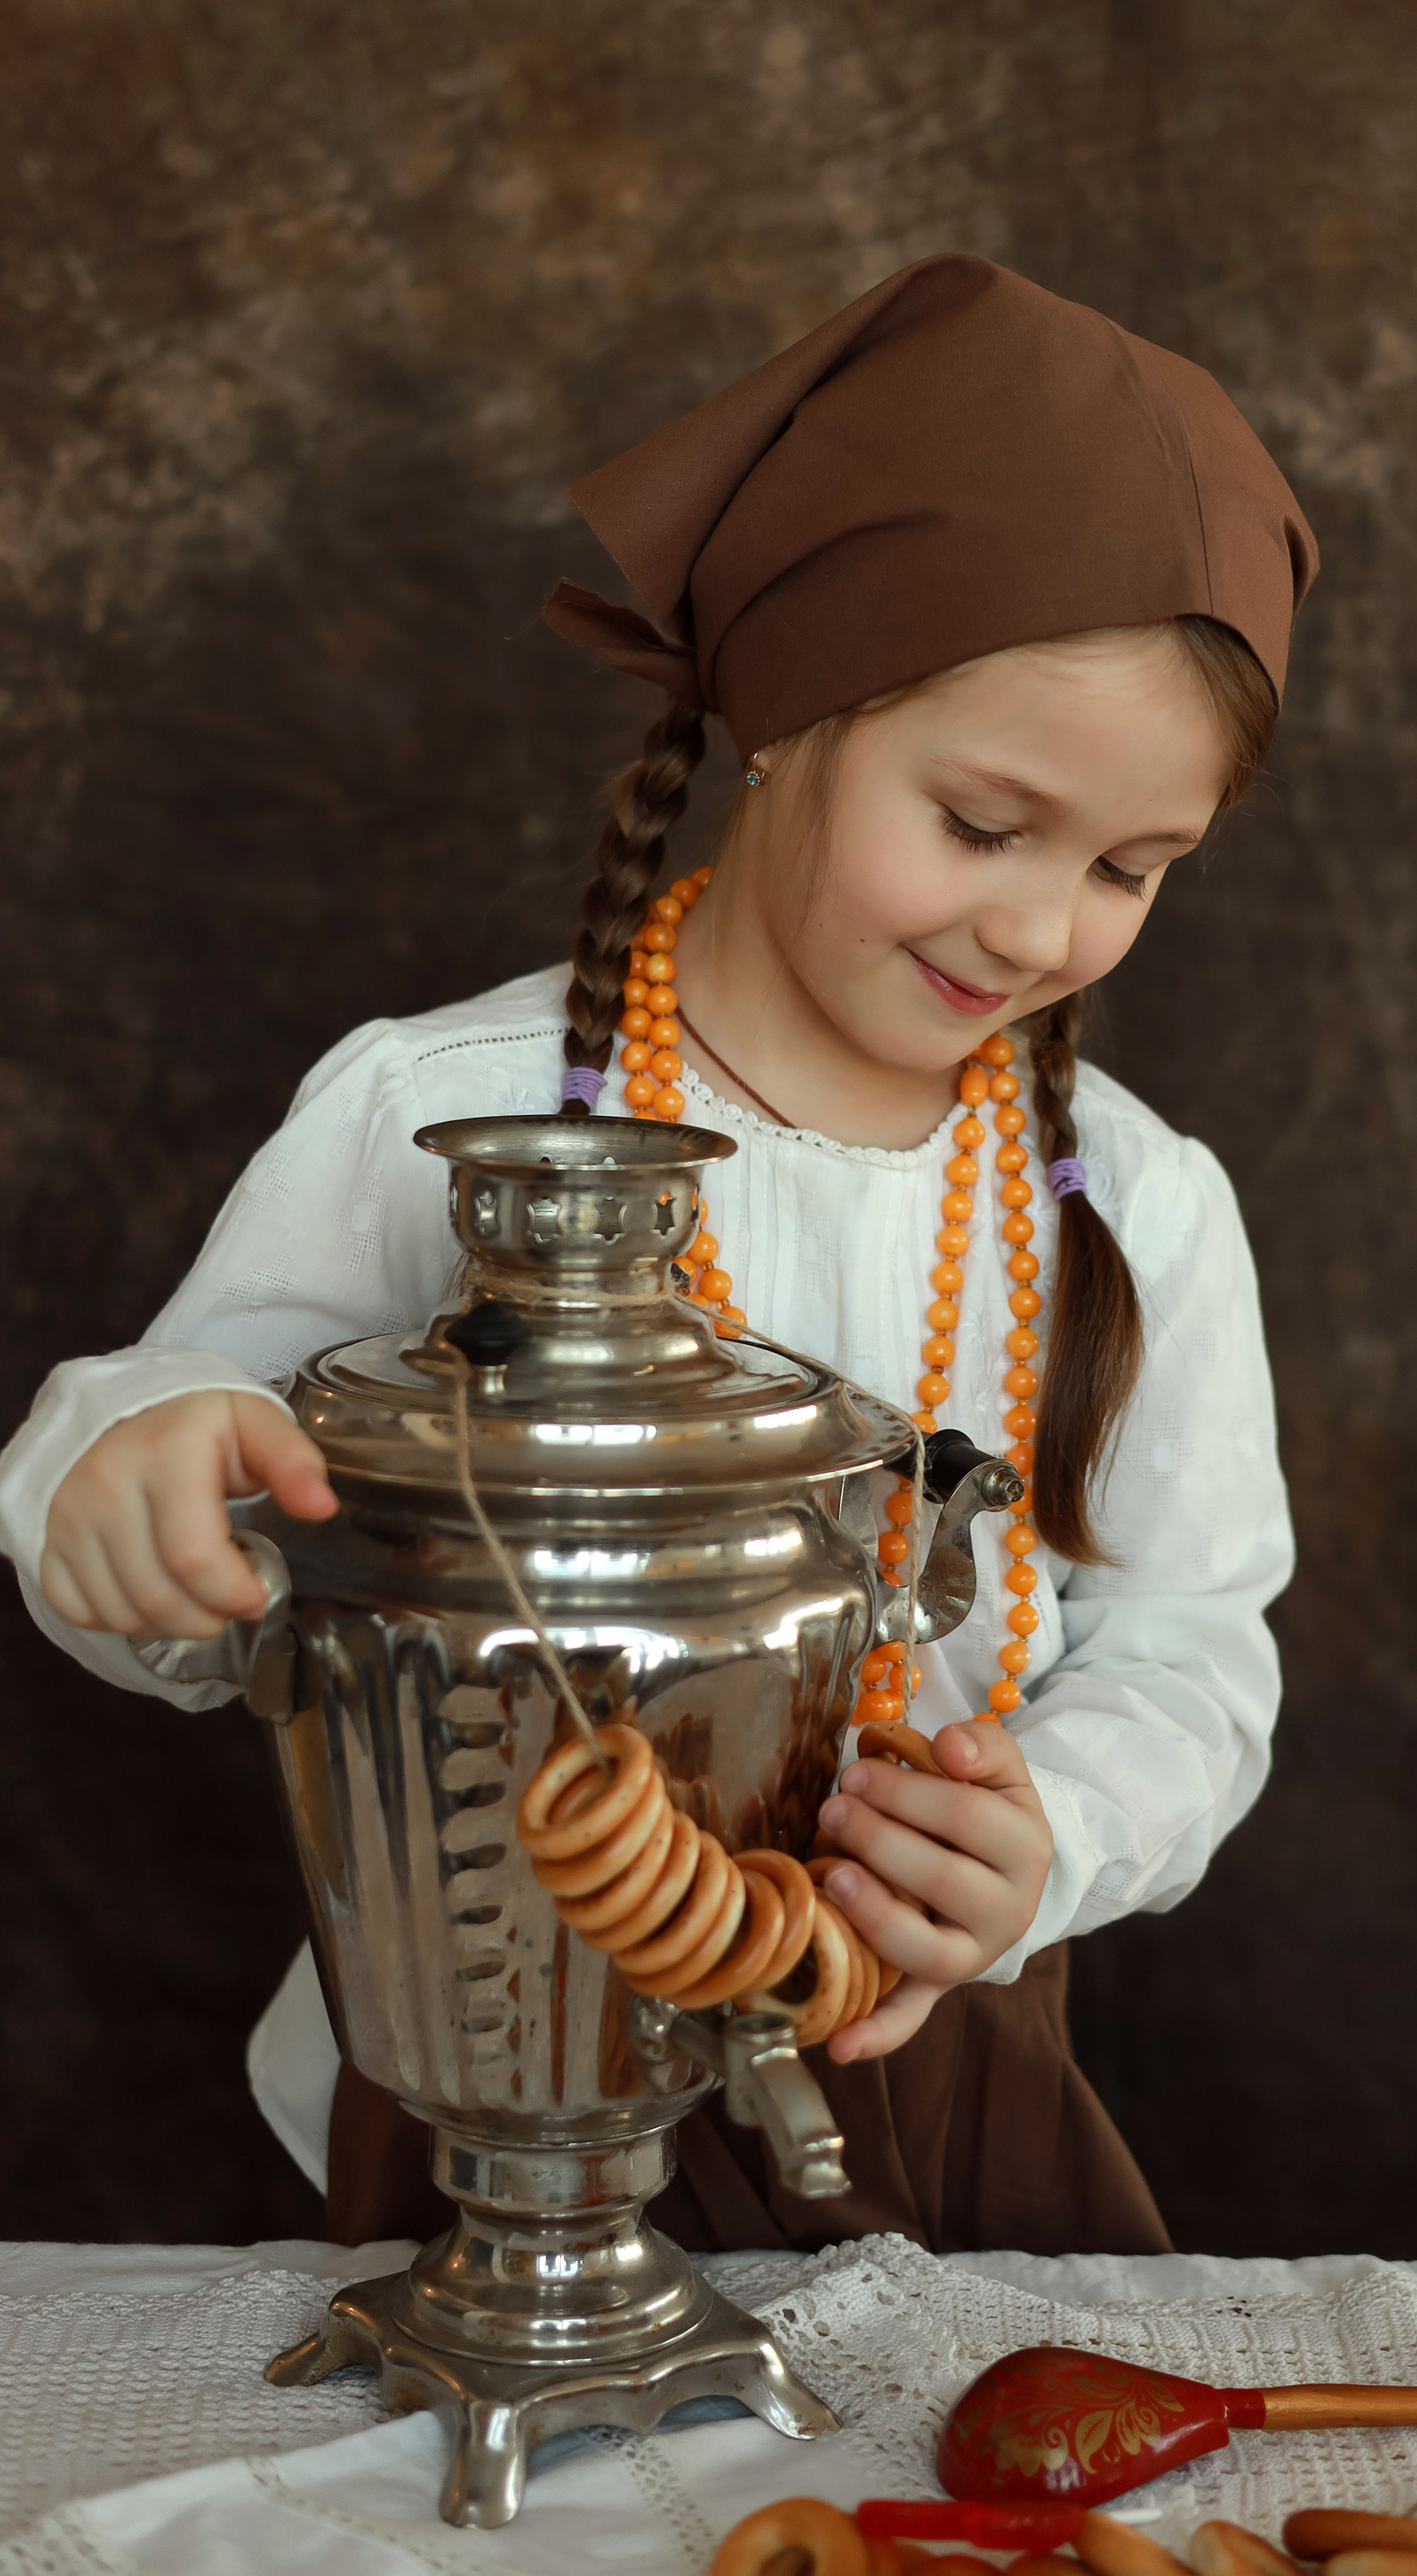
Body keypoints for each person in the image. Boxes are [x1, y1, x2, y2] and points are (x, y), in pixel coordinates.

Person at [0, 255, 1316, 2257]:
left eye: (1132, 868)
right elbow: (191, 1477)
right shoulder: (434, 1113)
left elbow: (1199, 1654)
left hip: (921, 2058)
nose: (1045, 931)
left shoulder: (1131, 1202)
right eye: (983, 824)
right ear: (791, 713)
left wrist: (1047, 1843)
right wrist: (131, 1474)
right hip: (484, 2056)